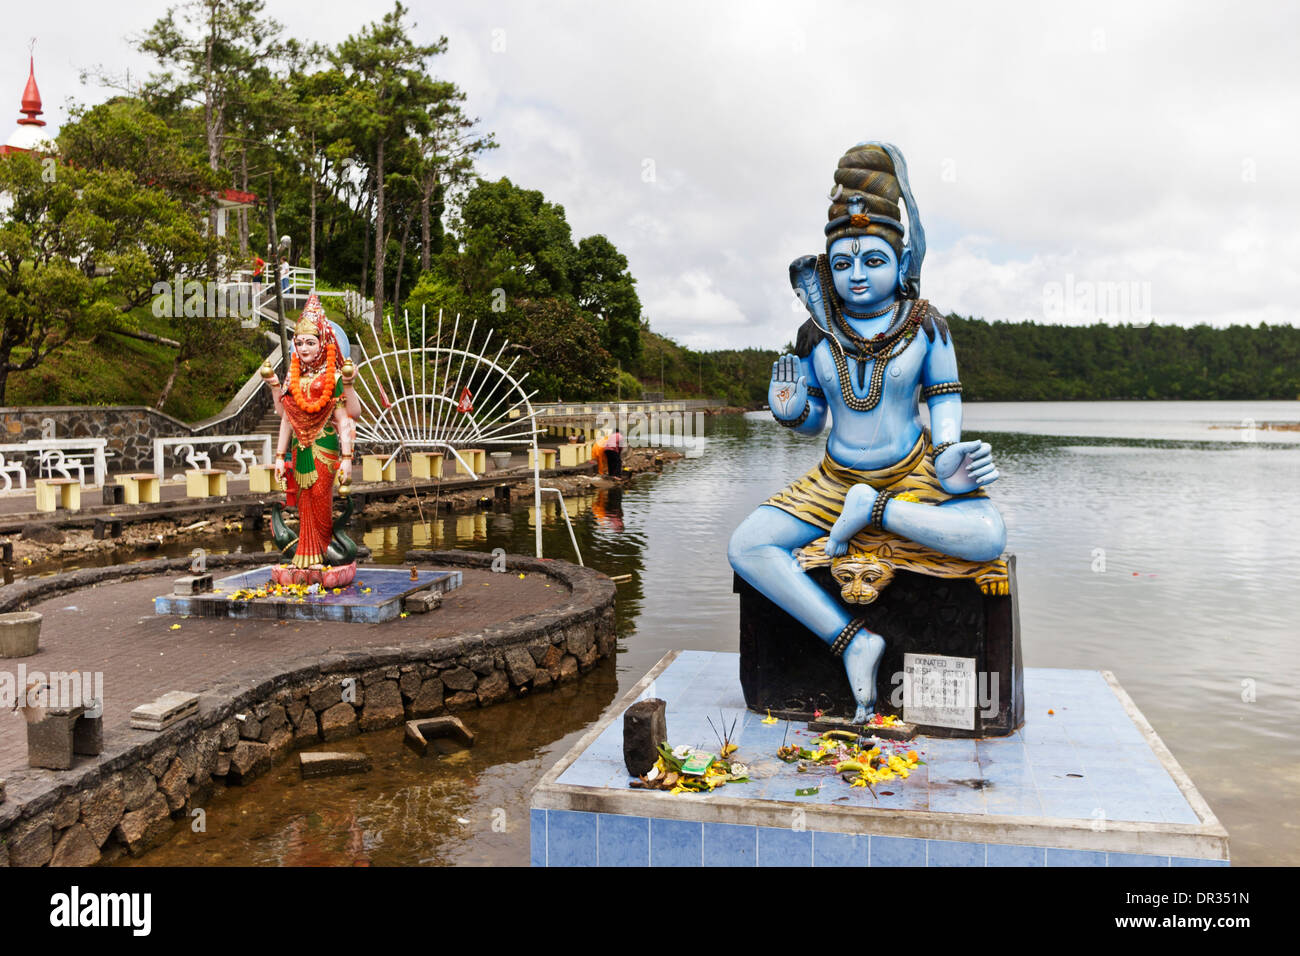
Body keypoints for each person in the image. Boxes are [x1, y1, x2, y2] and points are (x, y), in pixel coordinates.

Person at [727, 141, 1006, 723]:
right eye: (844, 263)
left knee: (987, 536)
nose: (856, 276)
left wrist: (953, 465)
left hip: (911, 473)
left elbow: (945, 420)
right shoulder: (815, 336)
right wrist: (790, 411)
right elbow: (815, 422)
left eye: (873, 261)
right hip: (833, 480)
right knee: (747, 546)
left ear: (901, 264)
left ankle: (877, 509)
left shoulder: (927, 328)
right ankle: (852, 639)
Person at [272, 294, 360, 568]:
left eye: (310, 342)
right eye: (299, 343)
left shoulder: (333, 377)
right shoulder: (293, 379)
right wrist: (279, 455)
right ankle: (304, 555)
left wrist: (347, 460)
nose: (304, 348)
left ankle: (320, 550)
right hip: (300, 449)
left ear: (323, 343)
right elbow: (286, 418)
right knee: (303, 499)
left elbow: (346, 417)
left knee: (320, 497)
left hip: (324, 447)